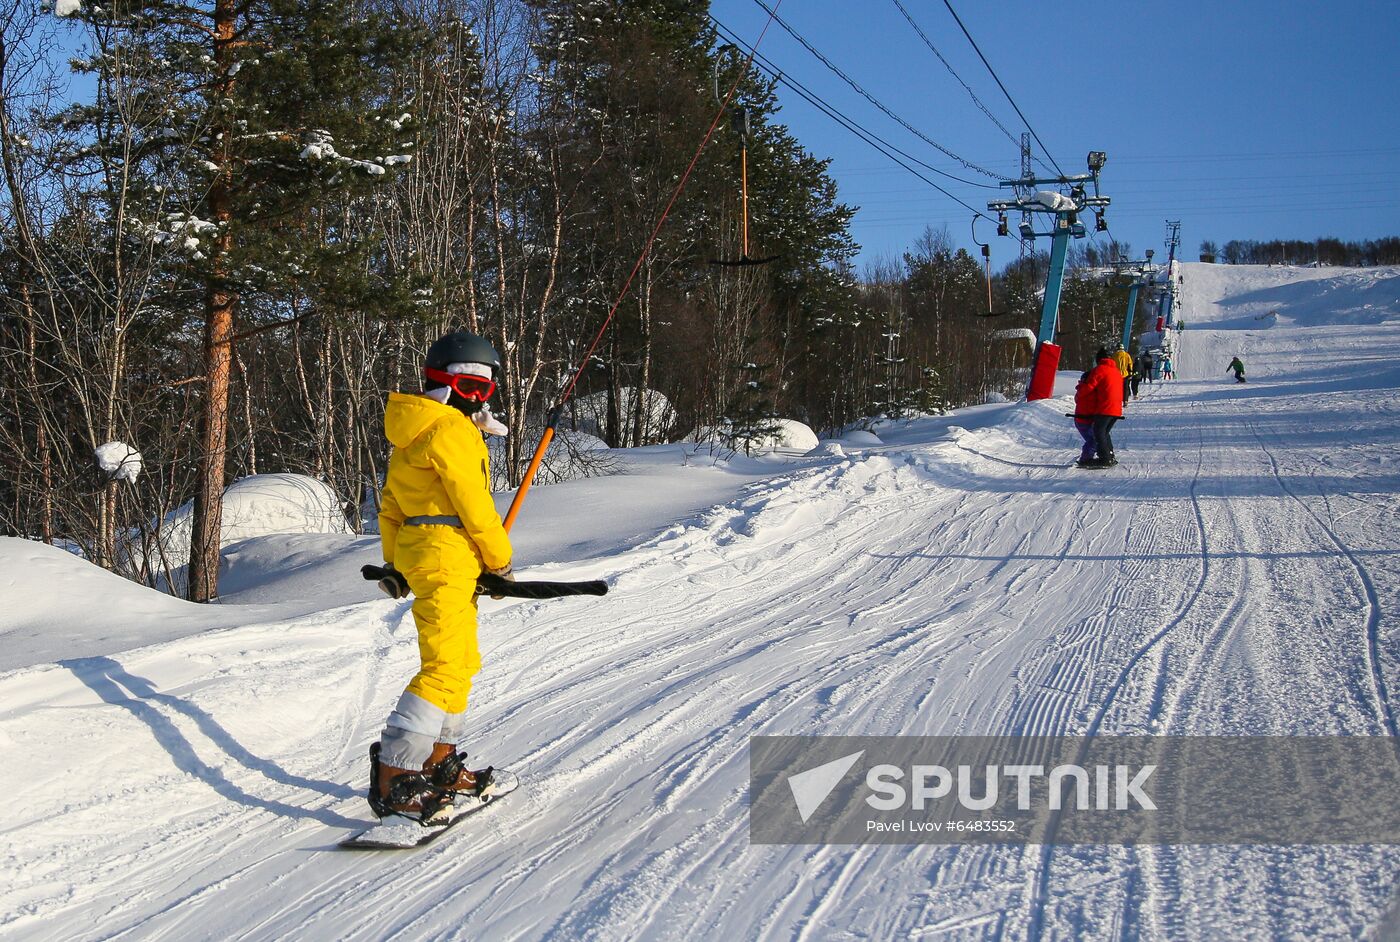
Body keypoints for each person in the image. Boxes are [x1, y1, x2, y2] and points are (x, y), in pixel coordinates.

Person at [369, 329, 516, 821]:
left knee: (461, 658)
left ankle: (440, 761)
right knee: (445, 665)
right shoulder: (451, 431)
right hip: (447, 550)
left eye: (486, 390)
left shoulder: (414, 430)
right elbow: (475, 507)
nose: (478, 400)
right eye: (472, 387)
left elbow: (390, 505)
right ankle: (395, 771)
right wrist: (499, 560)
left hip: (427, 551)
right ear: (446, 383)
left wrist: (396, 564)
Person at [1077, 348, 1124, 468]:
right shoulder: (1116, 371)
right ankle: (1110, 455)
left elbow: (1089, 387)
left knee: (1098, 433)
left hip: (1105, 407)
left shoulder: (1099, 370)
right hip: (1116, 408)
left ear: (1099, 359)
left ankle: (1105, 459)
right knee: (1104, 433)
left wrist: (1079, 391)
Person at [1072, 370, 1097, 465]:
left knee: (1091, 439)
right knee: (1094, 440)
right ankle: (1085, 458)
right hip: (1087, 420)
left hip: (1079, 420)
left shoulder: (1080, 390)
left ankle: (1087, 456)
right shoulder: (1092, 391)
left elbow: (1077, 400)